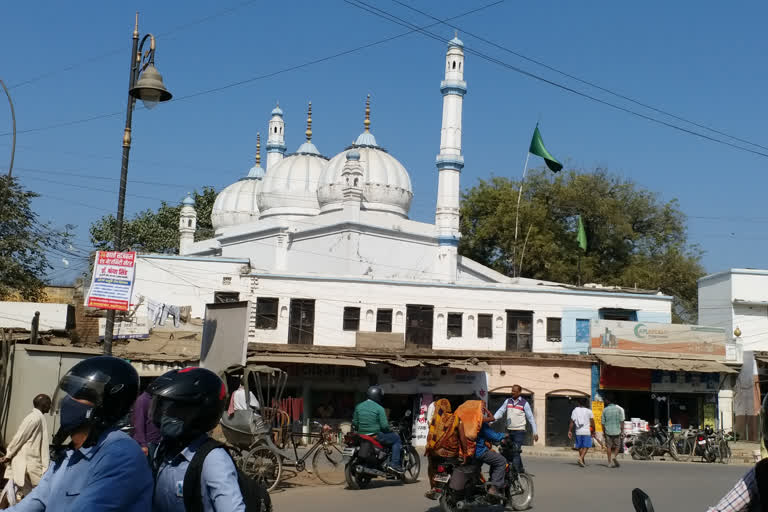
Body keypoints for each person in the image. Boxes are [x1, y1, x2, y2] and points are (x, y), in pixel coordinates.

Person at [6, 356, 153, 511]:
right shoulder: (69, 454)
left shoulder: (120, 455)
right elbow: (37, 501)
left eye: (82, 396)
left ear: (107, 405)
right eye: (70, 393)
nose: (69, 401)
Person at [150, 367, 246, 512]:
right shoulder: (163, 450)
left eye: (174, 410)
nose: (165, 416)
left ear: (201, 413)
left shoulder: (213, 459)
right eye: (163, 408)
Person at [0, 395, 51, 504]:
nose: (50, 406)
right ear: (44, 404)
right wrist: (8, 454)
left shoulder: (38, 417)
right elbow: (20, 437)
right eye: (49, 403)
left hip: (27, 464)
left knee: (13, 491)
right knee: (27, 495)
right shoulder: (34, 418)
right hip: (26, 465)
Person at [352, 385, 403, 473]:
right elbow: (384, 426)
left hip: (361, 436)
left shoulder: (359, 406)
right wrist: (390, 431)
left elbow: (355, 423)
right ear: (377, 396)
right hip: (374, 435)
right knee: (396, 438)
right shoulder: (379, 408)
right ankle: (394, 464)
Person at [493, 384, 538, 473]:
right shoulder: (508, 401)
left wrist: (535, 432)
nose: (512, 392)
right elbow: (500, 412)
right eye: (512, 390)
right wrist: (491, 421)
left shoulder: (524, 403)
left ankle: (516, 473)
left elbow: (531, 418)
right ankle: (520, 469)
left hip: (519, 432)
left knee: (516, 451)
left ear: (519, 392)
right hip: (509, 431)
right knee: (509, 451)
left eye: (514, 391)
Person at [424, 398, 460, 498]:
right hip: (451, 454)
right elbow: (462, 438)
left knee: (431, 465)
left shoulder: (434, 421)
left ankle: (433, 487)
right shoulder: (455, 419)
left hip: (436, 454)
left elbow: (430, 440)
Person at [475, 406, 507, 497]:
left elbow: (492, 419)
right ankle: (494, 487)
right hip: (479, 451)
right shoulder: (480, 422)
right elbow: (494, 436)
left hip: (468, 453)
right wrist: (504, 435)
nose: (483, 410)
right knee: (501, 461)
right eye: (482, 408)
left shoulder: (466, 420)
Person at [132, 389, 161, 456]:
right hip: (148, 442)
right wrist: (143, 444)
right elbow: (139, 424)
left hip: (157, 440)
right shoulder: (142, 399)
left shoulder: (157, 398)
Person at [568, 398, 595, 467]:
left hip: (578, 431)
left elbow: (572, 422)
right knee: (586, 446)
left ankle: (582, 461)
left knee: (580, 446)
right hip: (586, 431)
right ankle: (580, 458)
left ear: (579, 403)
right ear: (586, 403)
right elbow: (592, 422)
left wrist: (569, 431)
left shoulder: (575, 410)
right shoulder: (589, 411)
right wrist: (593, 431)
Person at [601, 394, 625, 468]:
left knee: (609, 447)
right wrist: (622, 430)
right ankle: (614, 456)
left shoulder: (605, 410)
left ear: (608, 401)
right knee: (618, 446)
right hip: (617, 431)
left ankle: (609, 463)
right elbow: (622, 421)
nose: (605, 401)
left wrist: (604, 432)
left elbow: (602, 423)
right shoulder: (619, 409)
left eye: (606, 400)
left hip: (608, 431)